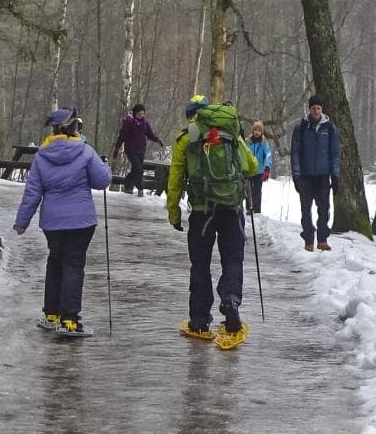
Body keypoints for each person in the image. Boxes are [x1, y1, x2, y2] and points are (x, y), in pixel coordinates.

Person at [166, 98, 260, 349]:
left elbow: (175, 178)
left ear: (191, 115)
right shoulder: (230, 133)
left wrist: (173, 213)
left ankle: (198, 320)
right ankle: (230, 302)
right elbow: (252, 166)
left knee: (200, 264)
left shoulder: (186, 138)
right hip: (230, 209)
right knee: (232, 259)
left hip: (201, 211)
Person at [14, 107, 113, 338]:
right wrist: (105, 165)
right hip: (81, 222)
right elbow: (102, 180)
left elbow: (32, 193)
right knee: (73, 266)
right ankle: (69, 319)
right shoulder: (86, 151)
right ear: (72, 128)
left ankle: (51, 313)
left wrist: (22, 222)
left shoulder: (41, 155)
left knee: (55, 262)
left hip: (52, 222)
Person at [287, 96, 340, 251]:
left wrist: (335, 175)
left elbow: (335, 153)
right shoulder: (301, 127)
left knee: (324, 209)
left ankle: (322, 239)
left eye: (318, 108)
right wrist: (296, 175)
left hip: (323, 176)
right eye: (313, 108)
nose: (316, 111)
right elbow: (295, 152)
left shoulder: (330, 128)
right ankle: (308, 240)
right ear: (309, 110)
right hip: (305, 176)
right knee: (305, 209)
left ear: (322, 110)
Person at [114, 104, 156, 194]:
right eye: (139, 114)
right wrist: (117, 147)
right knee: (139, 169)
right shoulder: (129, 122)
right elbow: (122, 136)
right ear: (134, 114)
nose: (141, 116)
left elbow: (150, 134)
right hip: (131, 149)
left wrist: (157, 139)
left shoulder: (145, 123)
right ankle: (139, 188)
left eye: (142, 114)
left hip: (141, 149)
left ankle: (128, 187)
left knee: (135, 169)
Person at [244, 121, 275, 216]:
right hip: (249, 171)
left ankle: (257, 211)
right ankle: (249, 209)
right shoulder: (247, 142)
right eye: (255, 130)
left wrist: (267, 168)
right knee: (248, 190)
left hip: (259, 171)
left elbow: (268, 155)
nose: (257, 132)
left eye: (259, 130)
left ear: (262, 132)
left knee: (257, 191)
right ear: (252, 131)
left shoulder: (264, 143)